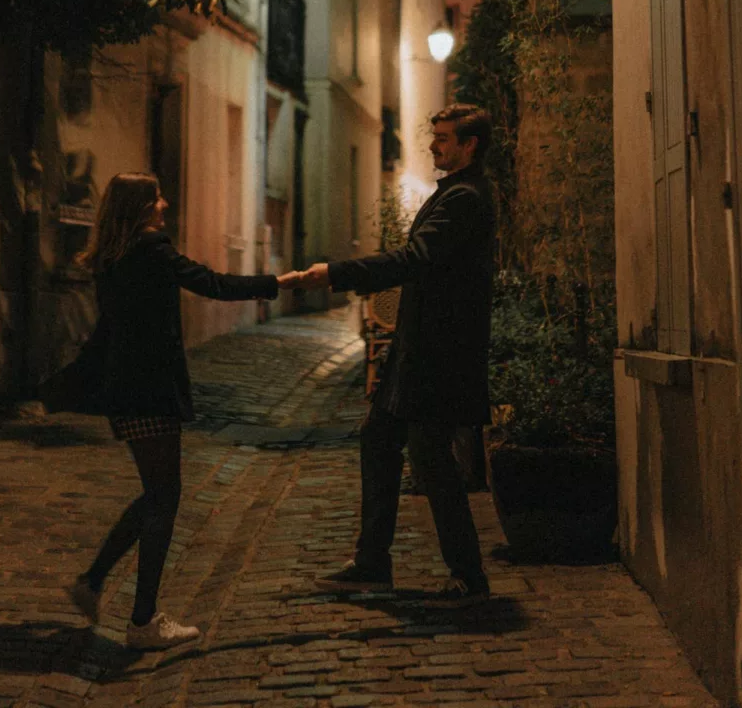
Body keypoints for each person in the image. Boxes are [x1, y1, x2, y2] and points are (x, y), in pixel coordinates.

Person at [279, 104, 495, 605]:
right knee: (381, 440)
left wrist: (335, 273)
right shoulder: (455, 193)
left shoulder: (464, 199)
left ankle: (467, 574)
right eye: (434, 137)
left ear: (470, 145)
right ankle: (373, 561)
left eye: (444, 139)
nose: (433, 146)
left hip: (438, 355)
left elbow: (415, 260)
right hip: (420, 351)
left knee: (431, 458)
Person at [65, 171, 278, 650]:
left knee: (156, 494)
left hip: (126, 390)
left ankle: (93, 582)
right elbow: (213, 283)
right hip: (150, 390)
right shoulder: (151, 250)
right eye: (157, 198)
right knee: (164, 497)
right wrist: (277, 282)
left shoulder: (113, 257)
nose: (165, 204)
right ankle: (143, 621)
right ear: (141, 207)